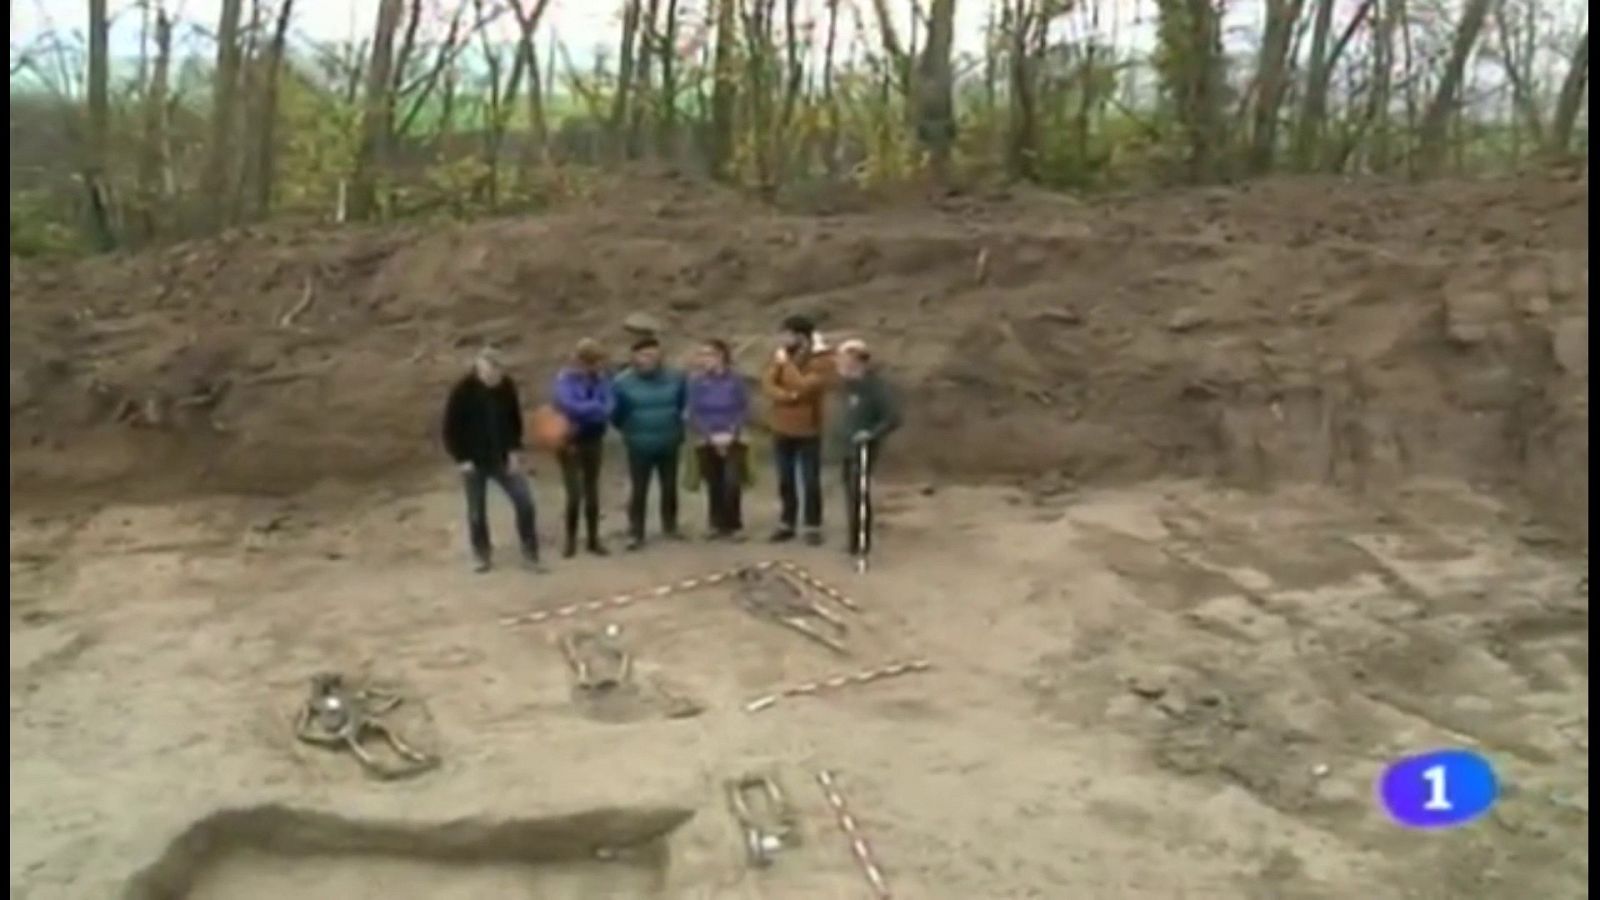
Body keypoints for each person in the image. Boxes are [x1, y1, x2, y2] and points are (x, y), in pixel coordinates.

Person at [440, 348, 543, 573]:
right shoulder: (462, 391)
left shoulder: (506, 387)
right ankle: (482, 554)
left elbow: (515, 420)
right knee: (477, 510)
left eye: (499, 372)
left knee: (524, 502)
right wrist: (462, 458)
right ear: (480, 368)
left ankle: (530, 552)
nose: (495, 377)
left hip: (502, 456)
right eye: (491, 372)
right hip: (473, 460)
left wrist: (515, 451)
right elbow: (450, 428)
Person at [760, 314, 834, 545]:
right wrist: (787, 395)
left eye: (788, 334)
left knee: (810, 479)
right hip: (781, 425)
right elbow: (768, 383)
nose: (783, 339)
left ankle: (813, 525)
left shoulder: (821, 359)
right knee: (785, 478)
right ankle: (787, 523)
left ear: (802, 337)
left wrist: (787, 367)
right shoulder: (780, 355)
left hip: (809, 428)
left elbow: (806, 385)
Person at [611, 336, 688, 550]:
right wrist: (630, 430)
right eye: (644, 355)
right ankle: (636, 532)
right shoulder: (622, 382)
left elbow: (682, 404)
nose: (650, 359)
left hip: (669, 440)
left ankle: (670, 526)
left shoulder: (676, 378)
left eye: (654, 354)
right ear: (634, 357)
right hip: (638, 443)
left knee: (670, 486)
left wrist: (677, 427)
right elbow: (616, 414)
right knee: (639, 489)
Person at [831, 339, 901, 558]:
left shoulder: (875, 388)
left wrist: (871, 434)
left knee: (858, 493)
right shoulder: (847, 386)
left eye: (843, 359)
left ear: (856, 361)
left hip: (864, 448)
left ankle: (861, 542)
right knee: (850, 493)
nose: (839, 364)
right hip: (846, 447)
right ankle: (853, 538)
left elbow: (893, 417)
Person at [551, 338, 614, 558]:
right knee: (574, 493)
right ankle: (570, 540)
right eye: (594, 363)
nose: (598, 367)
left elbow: (609, 406)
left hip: (593, 439)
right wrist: (594, 408)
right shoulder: (564, 379)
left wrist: (589, 410)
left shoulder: (601, 379)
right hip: (569, 440)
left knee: (592, 491)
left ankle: (593, 539)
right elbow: (568, 405)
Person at [686, 338, 750, 540]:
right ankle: (715, 523)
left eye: (708, 354)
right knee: (713, 481)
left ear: (721, 356)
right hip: (707, 437)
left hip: (733, 437)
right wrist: (709, 435)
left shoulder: (735, 380)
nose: (704, 359)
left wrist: (732, 432)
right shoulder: (697, 382)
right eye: (702, 355)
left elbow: (743, 408)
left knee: (732, 481)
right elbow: (694, 411)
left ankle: (734, 524)